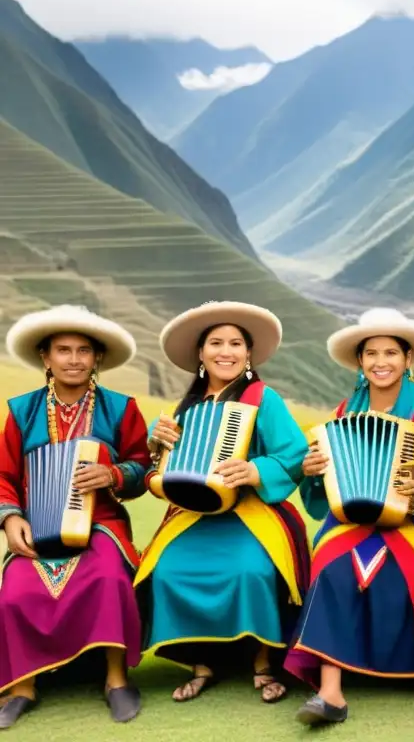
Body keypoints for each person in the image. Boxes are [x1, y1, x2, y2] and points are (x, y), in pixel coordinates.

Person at [284, 307, 414, 726]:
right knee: (332, 567)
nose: (381, 362)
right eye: (372, 354)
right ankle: (331, 691)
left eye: (390, 353)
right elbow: (329, 480)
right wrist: (313, 471)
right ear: (360, 362)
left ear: (407, 360)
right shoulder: (346, 410)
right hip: (354, 518)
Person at [134, 301, 310, 705]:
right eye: (216, 342)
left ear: (248, 354)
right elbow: (156, 474)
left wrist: (255, 470)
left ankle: (263, 663)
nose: (225, 351)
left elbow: (295, 455)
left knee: (251, 570)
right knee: (168, 572)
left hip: (252, 511)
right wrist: (154, 443)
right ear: (201, 353)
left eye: (235, 343)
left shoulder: (264, 399)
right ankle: (202, 664)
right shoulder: (185, 409)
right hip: (192, 514)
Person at [0, 305, 151, 728]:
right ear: (45, 357)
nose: (73, 359)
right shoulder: (21, 411)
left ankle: (116, 679)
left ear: (97, 358)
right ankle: (21, 687)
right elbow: (3, 474)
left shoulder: (121, 409)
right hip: (35, 523)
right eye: (62, 350)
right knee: (16, 589)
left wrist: (114, 473)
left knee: (108, 576)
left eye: (84, 350)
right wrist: (11, 519)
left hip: (102, 520)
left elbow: (142, 467)